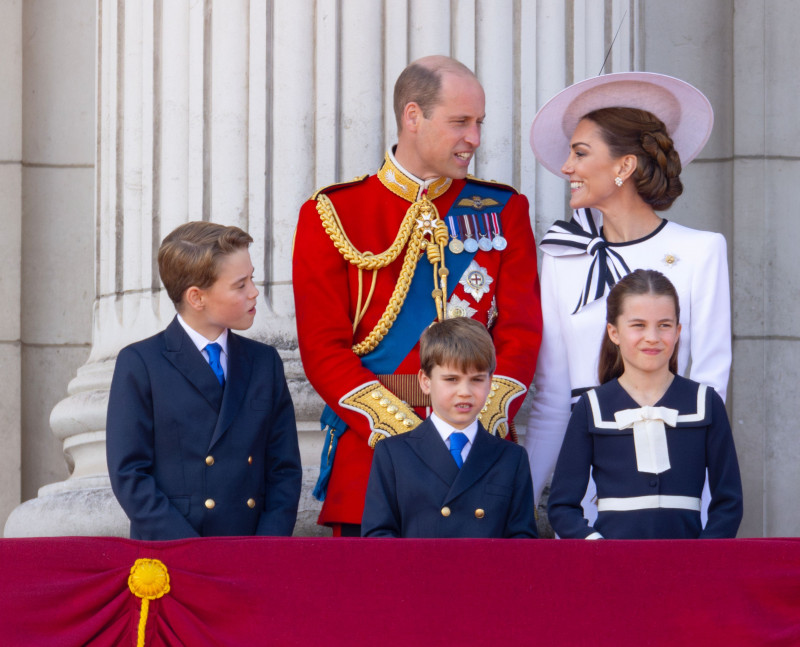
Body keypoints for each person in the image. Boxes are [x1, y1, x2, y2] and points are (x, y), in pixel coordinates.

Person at [293, 55, 542, 536]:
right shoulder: (333, 213)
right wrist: (407, 436)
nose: (474, 138)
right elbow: (323, 349)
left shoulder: (503, 209)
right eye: (460, 122)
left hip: (477, 454)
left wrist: (473, 422)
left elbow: (521, 332)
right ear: (413, 117)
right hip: (374, 450)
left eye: (479, 123)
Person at [523, 72, 731, 518]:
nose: (566, 167)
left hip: (674, 483)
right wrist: (518, 506)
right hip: (585, 487)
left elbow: (711, 387)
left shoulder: (701, 250)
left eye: (580, 154)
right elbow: (552, 398)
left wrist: (708, 503)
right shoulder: (563, 256)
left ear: (624, 166)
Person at [107, 221, 302, 540]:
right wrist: (189, 552)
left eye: (252, 278)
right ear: (197, 297)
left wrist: (267, 548)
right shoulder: (141, 363)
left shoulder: (264, 362)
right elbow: (130, 476)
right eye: (240, 285)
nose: (254, 292)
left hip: (251, 553)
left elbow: (284, 470)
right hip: (174, 555)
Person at [548, 270, 742, 539]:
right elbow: (562, 506)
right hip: (613, 568)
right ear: (614, 332)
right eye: (638, 325)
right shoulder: (591, 407)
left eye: (664, 325)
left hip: (689, 569)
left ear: (678, 331)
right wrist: (596, 547)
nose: (652, 337)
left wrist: (703, 556)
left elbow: (729, 503)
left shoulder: (706, 403)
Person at [361, 317, 537, 538]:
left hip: (487, 572)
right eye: (452, 379)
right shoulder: (393, 454)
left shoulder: (511, 457)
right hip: (417, 572)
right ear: (425, 382)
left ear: (491, 383)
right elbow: (378, 538)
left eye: (476, 379)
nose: (464, 391)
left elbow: (522, 542)